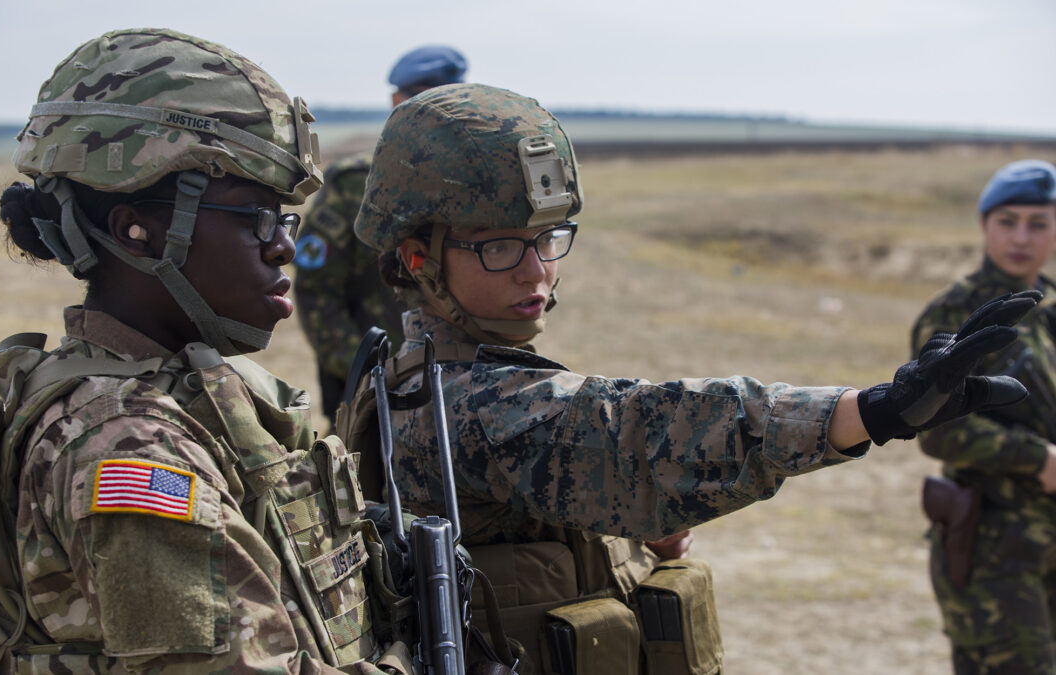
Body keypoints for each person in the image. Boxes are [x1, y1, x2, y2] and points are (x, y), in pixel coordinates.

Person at [347, 82, 1040, 674]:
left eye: (549, 238)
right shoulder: (465, 400)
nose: (536, 271)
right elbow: (637, 433)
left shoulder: (431, 373)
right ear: (417, 259)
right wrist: (872, 411)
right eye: (500, 246)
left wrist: (622, 544)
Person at [0, 28, 411, 674]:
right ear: (138, 230)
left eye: (285, 220)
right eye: (254, 219)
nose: (283, 248)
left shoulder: (194, 388)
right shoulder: (128, 451)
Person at [912, 159, 1056, 674]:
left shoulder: (1052, 309)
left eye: (1038, 223)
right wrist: (1037, 458)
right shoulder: (956, 315)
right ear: (984, 225)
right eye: (1007, 221)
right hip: (997, 547)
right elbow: (934, 426)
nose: (1022, 236)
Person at [294, 45, 468, 428]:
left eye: (447, 102)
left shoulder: (475, 189)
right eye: (422, 101)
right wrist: (374, 371)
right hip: (370, 405)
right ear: (396, 102)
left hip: (464, 394)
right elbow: (316, 292)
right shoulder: (356, 186)